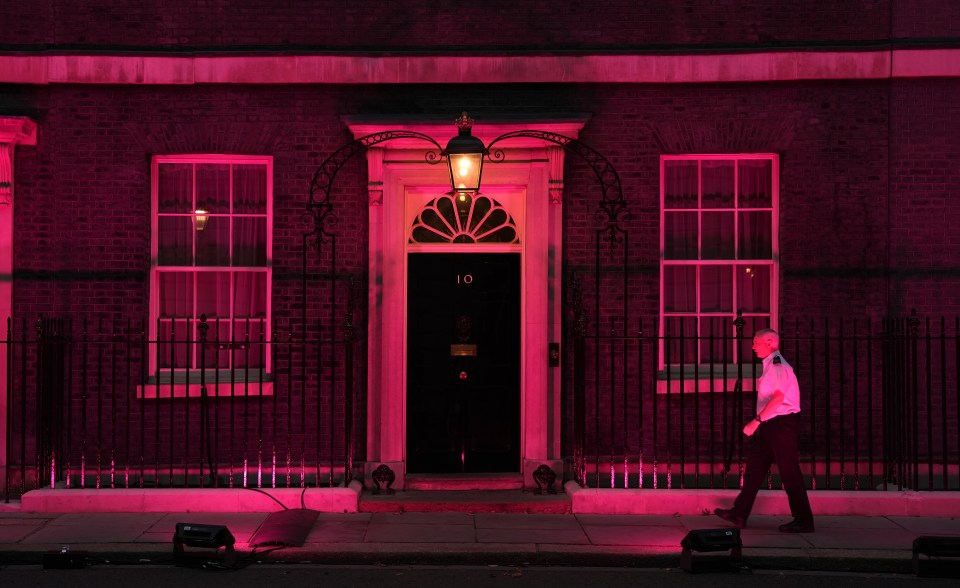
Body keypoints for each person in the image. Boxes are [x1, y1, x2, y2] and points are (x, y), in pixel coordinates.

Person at [714, 328, 815, 533]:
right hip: (774, 425)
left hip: (781, 425)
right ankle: (739, 513)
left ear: (770, 342)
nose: (752, 346)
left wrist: (756, 421)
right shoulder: (771, 365)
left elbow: (778, 399)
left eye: (756, 342)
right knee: (755, 468)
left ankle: (804, 520)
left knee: (790, 473)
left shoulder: (777, 366)